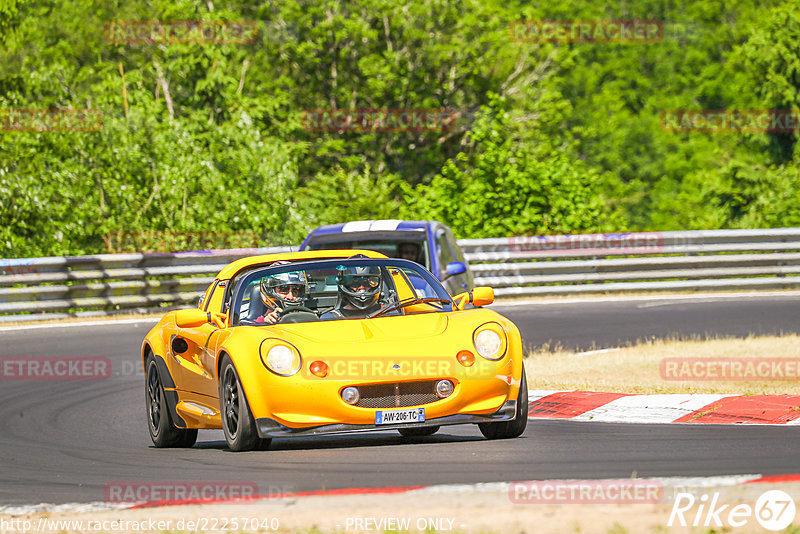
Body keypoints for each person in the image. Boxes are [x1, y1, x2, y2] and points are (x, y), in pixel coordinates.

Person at [320, 265, 384, 319]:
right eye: (355, 283)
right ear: (345, 285)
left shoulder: (389, 312)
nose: (362, 288)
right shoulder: (329, 318)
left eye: (367, 283)